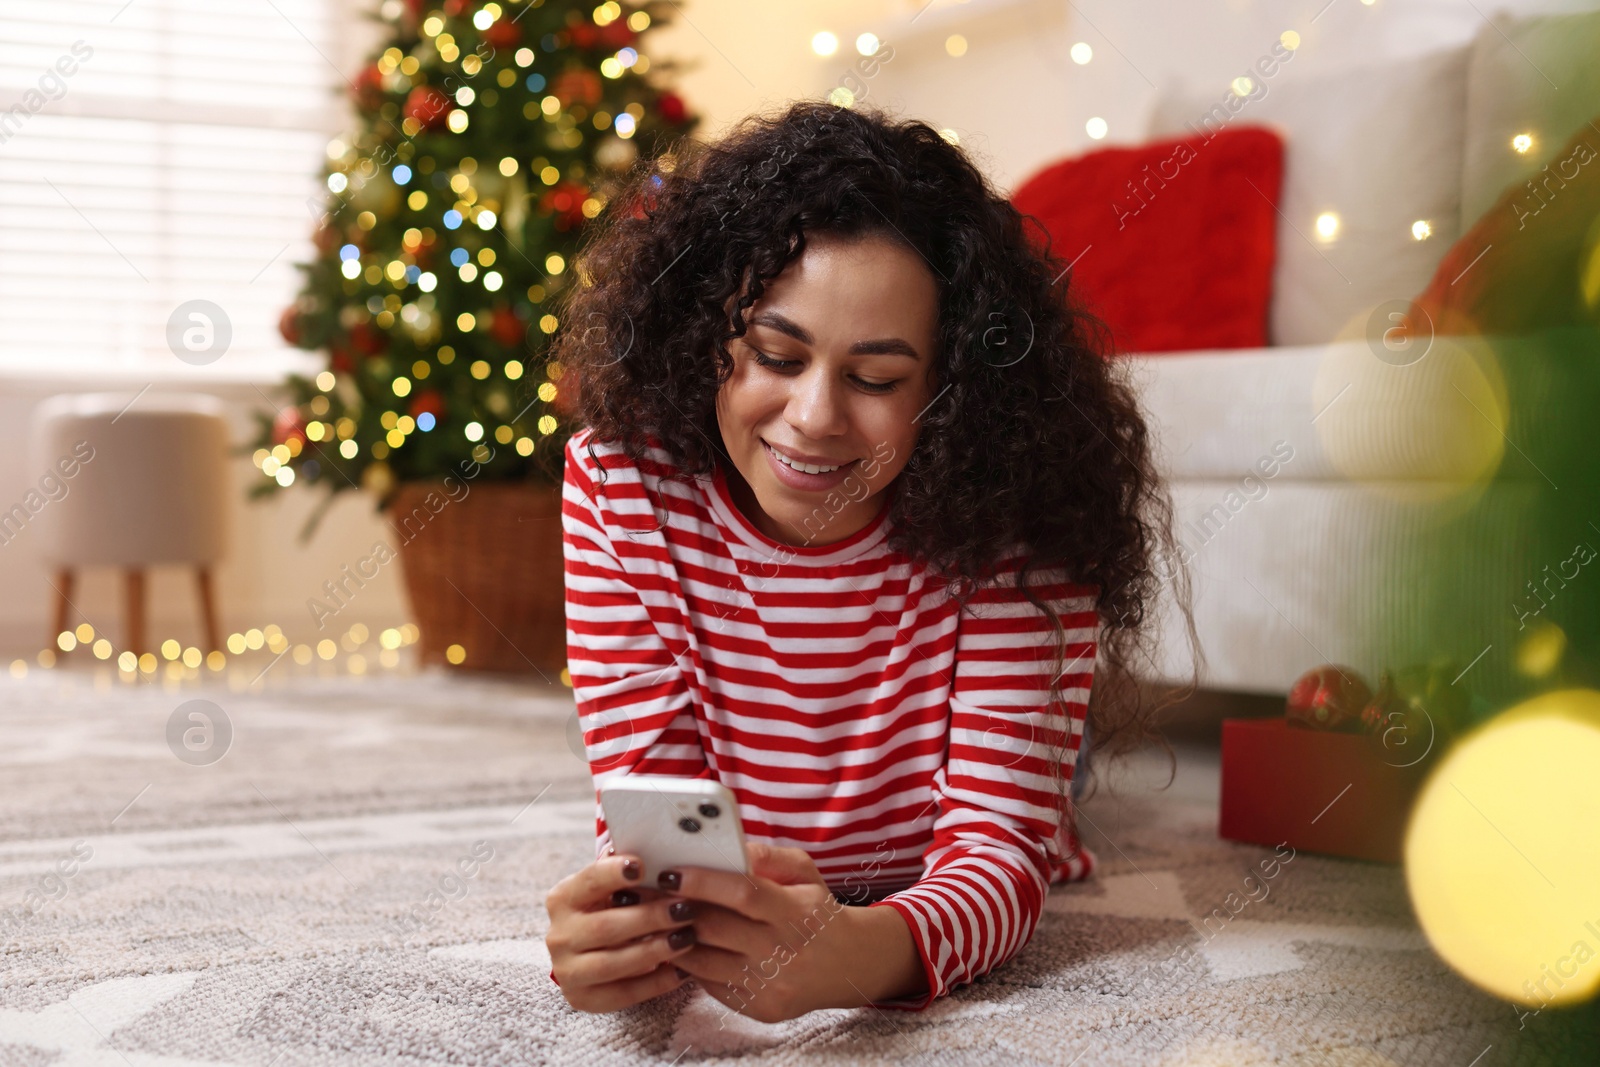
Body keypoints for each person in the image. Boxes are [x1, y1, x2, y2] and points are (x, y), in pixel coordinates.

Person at [541, 100, 1195, 1023]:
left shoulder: (1021, 495)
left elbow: (1001, 857)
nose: (813, 417)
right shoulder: (621, 482)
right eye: (775, 352)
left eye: (876, 378)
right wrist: (632, 929)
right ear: (708, 335)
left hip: (963, 729)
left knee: (1050, 786)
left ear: (950, 387)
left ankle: (1064, 748)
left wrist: (860, 956)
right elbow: (656, 815)